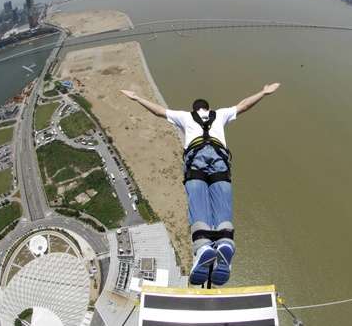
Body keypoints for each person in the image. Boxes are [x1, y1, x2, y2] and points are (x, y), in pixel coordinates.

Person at [120, 82, 280, 285]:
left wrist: (137, 98)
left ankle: (204, 246)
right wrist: (263, 93)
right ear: (208, 109)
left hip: (195, 161)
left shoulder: (185, 117)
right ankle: (225, 244)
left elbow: (159, 111)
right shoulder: (220, 115)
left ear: (194, 109)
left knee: (199, 203)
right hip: (220, 161)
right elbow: (244, 105)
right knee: (222, 204)